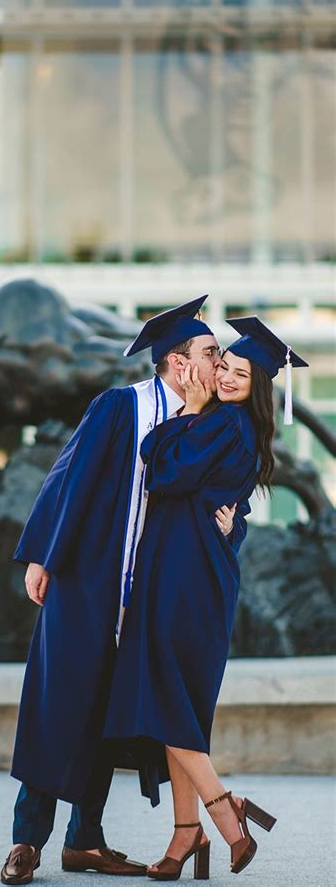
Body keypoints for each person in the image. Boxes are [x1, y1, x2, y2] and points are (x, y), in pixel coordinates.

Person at [0, 297, 247, 886]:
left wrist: (231, 524)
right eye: (211, 353)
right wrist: (42, 554)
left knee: (111, 719)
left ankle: (85, 840)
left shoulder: (213, 419)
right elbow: (68, 476)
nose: (220, 364)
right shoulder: (122, 406)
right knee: (58, 705)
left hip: (155, 598)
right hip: (91, 584)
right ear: (176, 361)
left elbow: (231, 498)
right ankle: (26, 841)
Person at [103, 315, 308, 879]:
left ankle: (224, 813)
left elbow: (162, 471)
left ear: (258, 386)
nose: (226, 377)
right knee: (181, 699)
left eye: (240, 373)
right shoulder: (227, 425)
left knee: (169, 694)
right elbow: (203, 489)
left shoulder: (223, 423)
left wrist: (190, 411)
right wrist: (232, 524)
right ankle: (184, 834)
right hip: (188, 564)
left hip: (185, 573)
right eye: (224, 366)